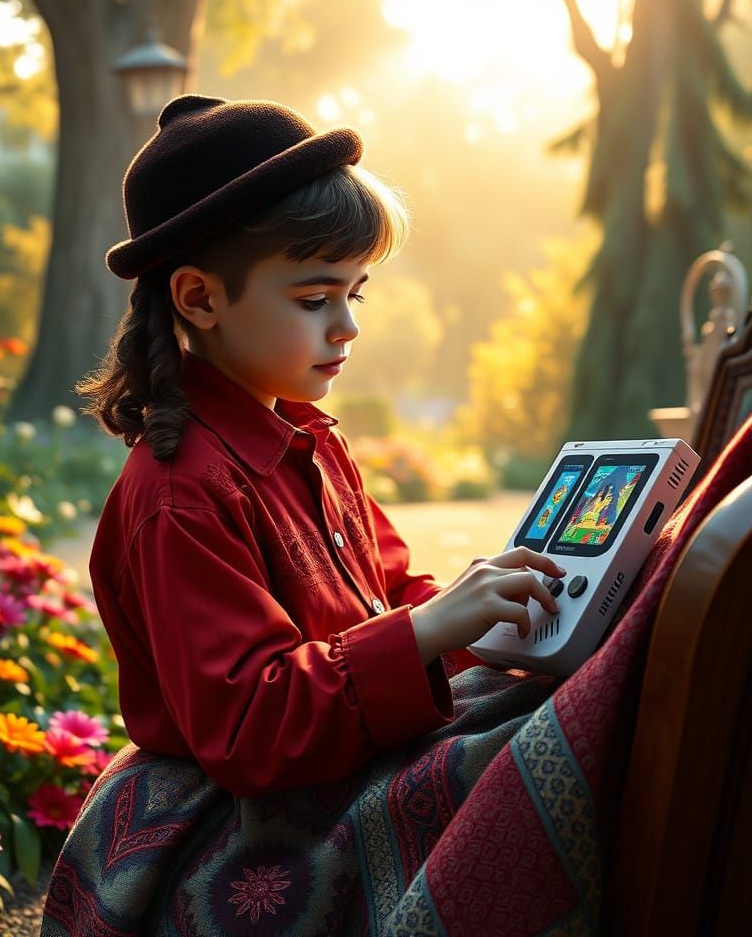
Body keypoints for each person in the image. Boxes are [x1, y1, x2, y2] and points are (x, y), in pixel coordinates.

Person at [76, 94, 564, 798]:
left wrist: (499, 611)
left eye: (355, 295)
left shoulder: (311, 439)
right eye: (314, 299)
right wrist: (427, 628)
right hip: (252, 817)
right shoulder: (181, 495)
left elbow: (391, 593)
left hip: (352, 761)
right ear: (199, 299)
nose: (347, 328)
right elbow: (254, 727)